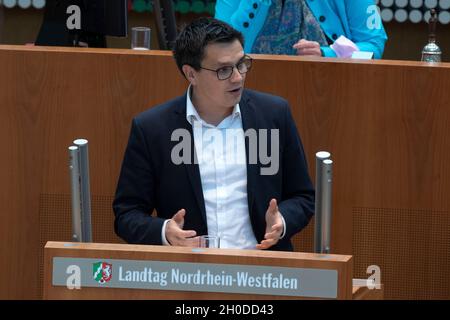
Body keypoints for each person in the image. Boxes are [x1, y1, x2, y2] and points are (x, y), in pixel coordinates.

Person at [113, 17, 315, 251]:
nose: (238, 77)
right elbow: (127, 214)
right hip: (191, 272)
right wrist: (164, 231)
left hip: (262, 270)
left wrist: (282, 220)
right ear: (191, 74)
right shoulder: (153, 129)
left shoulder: (273, 115)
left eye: (241, 64)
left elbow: (303, 196)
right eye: (223, 70)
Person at [215, 0, 388, 59]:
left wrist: (328, 54)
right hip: (252, 92)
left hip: (329, 90)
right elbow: (222, 48)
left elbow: (373, 47)